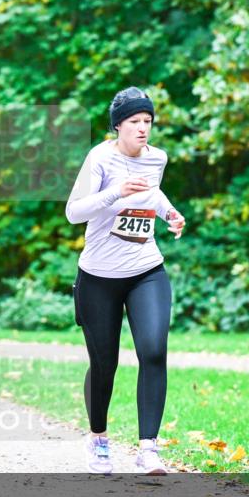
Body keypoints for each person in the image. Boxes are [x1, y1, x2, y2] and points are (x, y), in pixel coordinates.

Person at [65, 86, 187, 475]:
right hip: (98, 276)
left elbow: (153, 193)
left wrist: (169, 214)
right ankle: (98, 438)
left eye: (148, 121)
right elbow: (73, 212)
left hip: (145, 269)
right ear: (118, 125)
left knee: (153, 350)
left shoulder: (157, 159)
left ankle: (148, 448)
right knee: (105, 364)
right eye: (135, 121)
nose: (143, 128)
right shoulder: (100, 158)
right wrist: (115, 192)